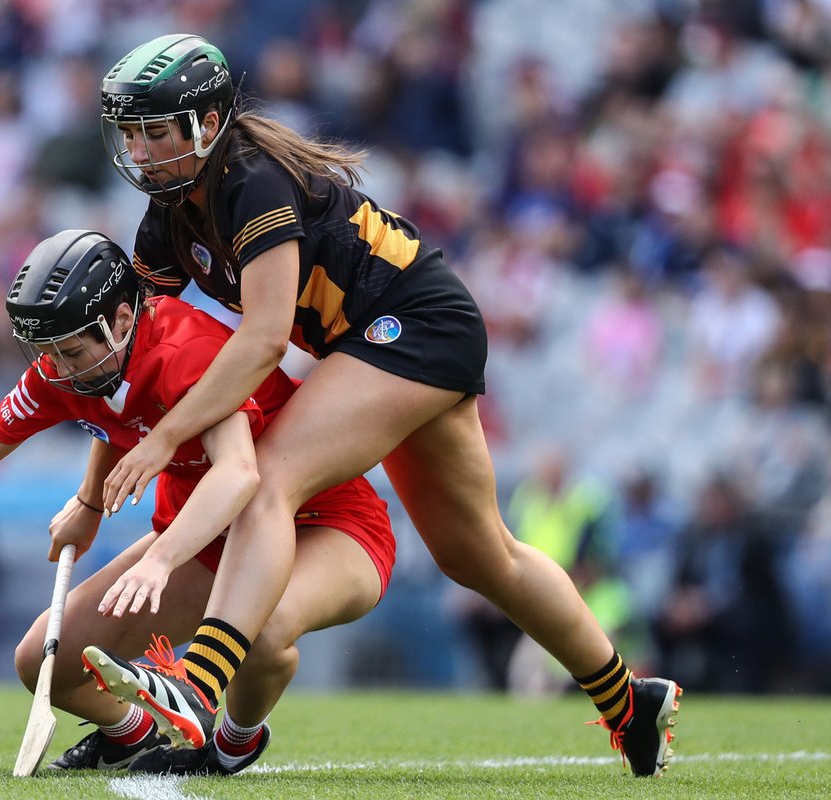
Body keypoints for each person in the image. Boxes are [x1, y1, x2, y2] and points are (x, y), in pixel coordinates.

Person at [80, 33, 681, 778]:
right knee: (481, 555)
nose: (138, 150)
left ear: (206, 124)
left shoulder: (251, 181)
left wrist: (163, 440)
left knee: (269, 476)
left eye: (153, 131)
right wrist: (89, 487)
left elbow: (265, 339)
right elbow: (136, 356)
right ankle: (630, 700)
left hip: (410, 326)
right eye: (130, 132)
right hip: (376, 339)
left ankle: (197, 685)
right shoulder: (170, 215)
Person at [0, 230, 395, 775]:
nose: (62, 372)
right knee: (43, 661)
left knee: (261, 632)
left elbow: (240, 473)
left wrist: (160, 558)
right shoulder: (65, 370)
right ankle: (133, 732)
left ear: (121, 320)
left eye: (72, 352)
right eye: (48, 353)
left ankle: (231, 744)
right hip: (211, 539)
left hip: (333, 525)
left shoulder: (184, 352)